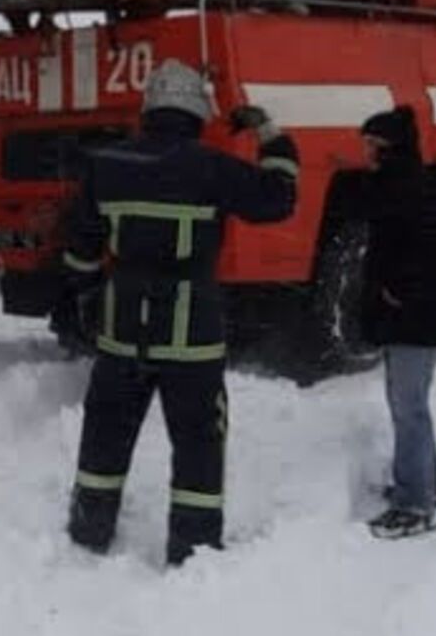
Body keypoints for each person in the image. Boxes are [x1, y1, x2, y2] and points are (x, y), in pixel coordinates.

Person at [58, 61, 300, 566]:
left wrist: (85, 296)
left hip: (122, 333)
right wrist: (270, 133)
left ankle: (89, 530)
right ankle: (192, 549)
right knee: (197, 444)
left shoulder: (106, 165)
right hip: (192, 337)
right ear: (195, 110)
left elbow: (79, 246)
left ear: (149, 107)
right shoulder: (210, 167)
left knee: (105, 433)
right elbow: (278, 199)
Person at [357, 105, 436, 539]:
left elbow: (435, 245)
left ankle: (414, 505)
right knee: (409, 405)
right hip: (411, 314)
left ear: (388, 147)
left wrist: (401, 291)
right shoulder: (403, 185)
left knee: (408, 408)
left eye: (371, 144)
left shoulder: (408, 188)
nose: (366, 152)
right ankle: (423, 486)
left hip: (415, 316)